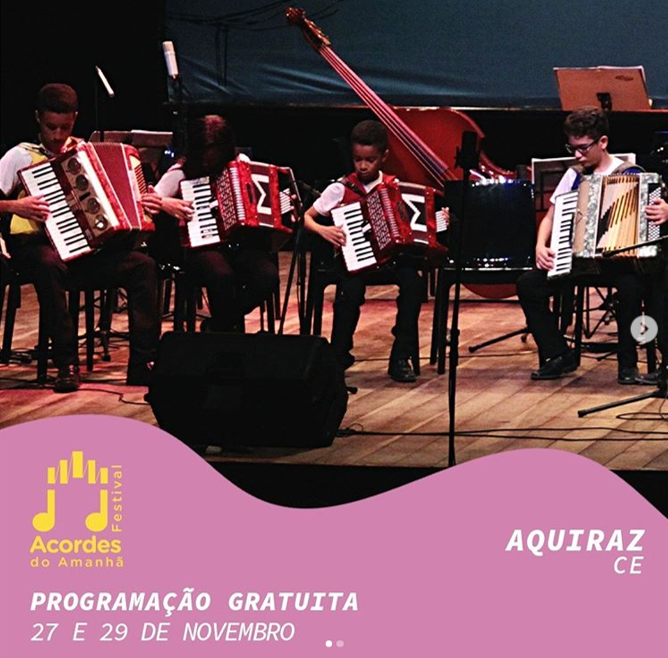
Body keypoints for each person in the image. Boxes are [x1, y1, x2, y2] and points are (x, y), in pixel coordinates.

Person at [0, 83, 160, 392]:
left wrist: (145, 198)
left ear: (75, 118)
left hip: (86, 254)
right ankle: (66, 363)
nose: (58, 135)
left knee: (143, 266)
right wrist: (15, 206)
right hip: (38, 249)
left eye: (65, 127)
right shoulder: (19, 157)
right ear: (38, 118)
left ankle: (144, 363)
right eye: (51, 127)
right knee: (48, 264)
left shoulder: (86, 153)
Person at [517, 106, 668, 384]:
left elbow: (654, 215)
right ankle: (559, 353)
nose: (577, 155)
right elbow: (551, 217)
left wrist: (665, 210)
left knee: (632, 287)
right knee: (528, 284)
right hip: (577, 261)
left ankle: (628, 365)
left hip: (620, 262)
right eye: (572, 147)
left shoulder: (631, 174)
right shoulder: (573, 176)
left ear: (603, 142)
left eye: (583, 148)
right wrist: (540, 245)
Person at [303, 119, 424, 383]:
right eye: (357, 159)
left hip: (388, 260)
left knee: (413, 284)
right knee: (350, 291)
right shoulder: (340, 189)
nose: (363, 166)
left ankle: (400, 356)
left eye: (370, 160)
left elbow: (416, 224)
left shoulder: (394, 187)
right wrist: (324, 230)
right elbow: (307, 217)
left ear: (384, 157)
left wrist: (439, 220)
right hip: (353, 261)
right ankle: (339, 354)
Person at [143, 114, 279, 332]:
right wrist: (166, 203)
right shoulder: (180, 173)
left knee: (267, 276)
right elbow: (145, 200)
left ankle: (218, 326)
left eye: (216, 153)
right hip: (200, 248)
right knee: (221, 275)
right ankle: (224, 336)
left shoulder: (240, 164)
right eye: (206, 153)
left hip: (240, 245)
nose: (210, 159)